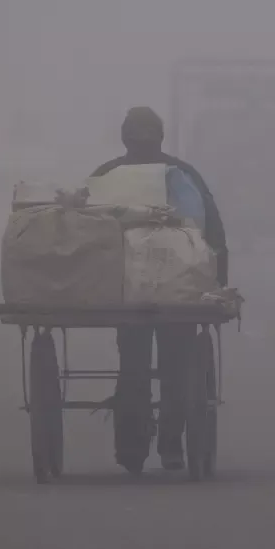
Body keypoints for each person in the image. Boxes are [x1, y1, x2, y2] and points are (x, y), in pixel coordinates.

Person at [91, 106, 228, 473]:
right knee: (175, 368)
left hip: (127, 296)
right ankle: (171, 446)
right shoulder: (183, 174)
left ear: (124, 139)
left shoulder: (107, 175)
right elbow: (213, 233)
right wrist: (218, 284)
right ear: (161, 138)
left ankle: (131, 448)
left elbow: (87, 234)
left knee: (132, 367)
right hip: (179, 295)